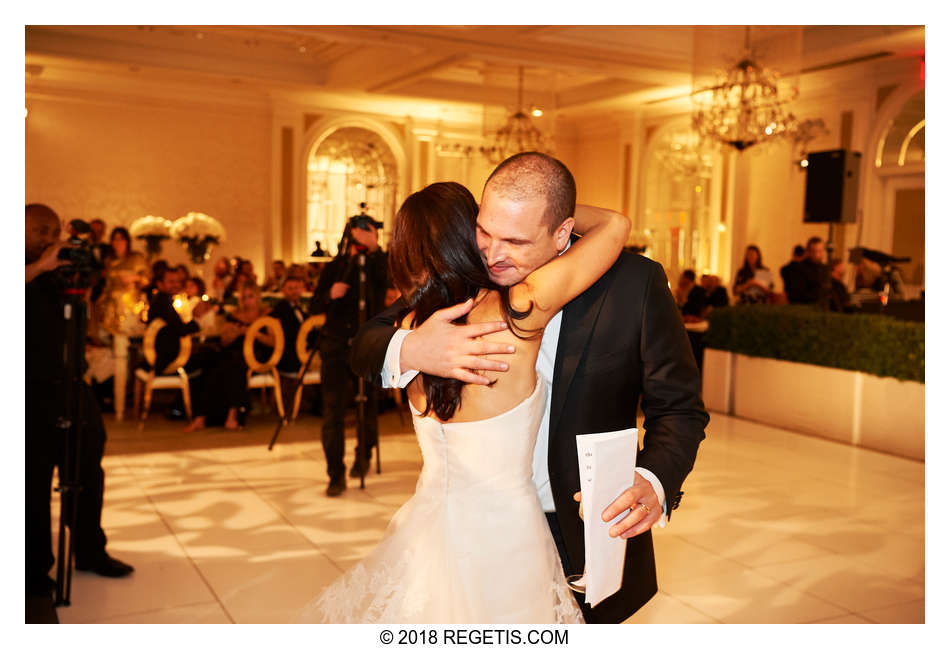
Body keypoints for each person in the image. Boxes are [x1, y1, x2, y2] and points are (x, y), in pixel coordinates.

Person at [349, 153, 708, 623]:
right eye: (484, 232)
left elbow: (680, 408)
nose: (492, 254)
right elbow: (365, 342)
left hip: (584, 527)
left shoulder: (633, 284)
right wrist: (413, 349)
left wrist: (656, 479)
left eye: (516, 239)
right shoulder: (455, 290)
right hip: (472, 533)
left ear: (563, 232)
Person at [305, 179, 631, 623]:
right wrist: (544, 216)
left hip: (430, 524)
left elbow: (367, 345)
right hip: (505, 531)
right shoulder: (521, 309)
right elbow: (614, 225)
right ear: (470, 235)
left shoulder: (410, 326)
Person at [26, 204, 134, 601]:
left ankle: (90, 550)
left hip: (71, 383)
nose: (46, 237)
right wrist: (39, 266)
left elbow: (87, 309)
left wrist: (74, 267)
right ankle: (33, 573)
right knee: (32, 483)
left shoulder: (57, 270)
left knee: (87, 468)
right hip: (28, 390)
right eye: (39, 230)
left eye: (52, 230)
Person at [309, 217, 389, 495]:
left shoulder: (378, 263)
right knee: (333, 411)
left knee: (367, 403)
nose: (367, 235)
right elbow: (314, 305)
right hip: (335, 345)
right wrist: (330, 294)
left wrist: (375, 250)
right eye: (363, 230)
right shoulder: (336, 267)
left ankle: (364, 454)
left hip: (366, 344)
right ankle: (335, 474)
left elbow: (388, 280)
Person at [184, 283, 274, 431]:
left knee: (234, 364)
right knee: (215, 365)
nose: (247, 301)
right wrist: (236, 333)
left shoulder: (267, 315)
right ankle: (203, 416)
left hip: (256, 355)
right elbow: (224, 340)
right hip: (233, 353)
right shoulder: (234, 315)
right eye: (244, 297)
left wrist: (252, 333)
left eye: (250, 297)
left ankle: (232, 414)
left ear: (257, 297)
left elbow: (274, 341)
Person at [96, 227, 149, 337]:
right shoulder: (109, 261)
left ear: (127, 241)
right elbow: (108, 284)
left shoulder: (136, 258)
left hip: (129, 302)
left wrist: (135, 278)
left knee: (126, 331)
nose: (118, 242)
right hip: (111, 304)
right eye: (115, 239)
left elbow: (147, 278)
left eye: (121, 239)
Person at [795, 236, 831, 306]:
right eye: (814, 251)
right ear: (808, 252)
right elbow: (798, 293)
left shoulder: (825, 269)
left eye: (820, 251)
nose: (817, 255)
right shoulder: (799, 269)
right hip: (807, 306)